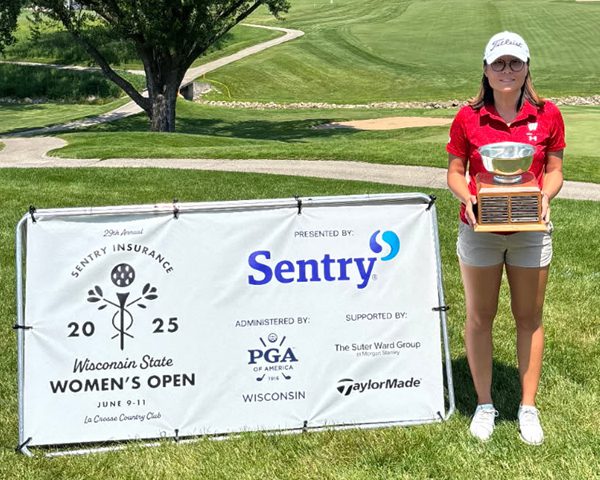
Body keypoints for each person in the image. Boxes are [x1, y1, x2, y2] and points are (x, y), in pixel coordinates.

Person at [446, 31, 566, 445]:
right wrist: (469, 198)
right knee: (480, 316)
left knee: (529, 317)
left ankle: (527, 407)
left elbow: (554, 170)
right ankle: (484, 404)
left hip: (530, 231)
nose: (507, 70)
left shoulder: (547, 114)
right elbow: (455, 173)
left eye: (515, 62)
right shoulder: (468, 117)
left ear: (527, 67)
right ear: (485, 69)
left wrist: (545, 196)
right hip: (479, 229)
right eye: (498, 63)